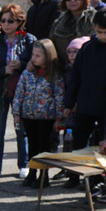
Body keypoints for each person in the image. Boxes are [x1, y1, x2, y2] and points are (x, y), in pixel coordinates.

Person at [62, 8, 106, 200]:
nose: (104, 36)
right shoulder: (87, 49)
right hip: (86, 106)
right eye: (99, 32)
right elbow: (75, 77)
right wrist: (69, 101)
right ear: (94, 29)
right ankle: (92, 180)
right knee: (81, 145)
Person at [0, 3, 37, 180]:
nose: (6, 24)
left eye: (10, 21)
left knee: (22, 131)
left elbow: (38, 63)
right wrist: (3, 70)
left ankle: (24, 164)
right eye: (3, 20)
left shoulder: (29, 40)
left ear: (19, 22)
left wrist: (22, 64)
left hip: (22, 92)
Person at [13, 39, 65, 187]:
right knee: (33, 144)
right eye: (33, 55)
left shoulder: (55, 76)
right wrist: (17, 113)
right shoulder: (27, 73)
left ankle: (44, 175)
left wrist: (58, 117)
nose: (34, 58)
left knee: (44, 146)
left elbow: (59, 96)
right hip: (29, 115)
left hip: (46, 117)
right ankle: (32, 172)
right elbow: (19, 93)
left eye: (38, 56)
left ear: (48, 56)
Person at [49, 0, 97, 66]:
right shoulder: (58, 23)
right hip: (64, 70)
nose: (72, 1)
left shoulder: (95, 18)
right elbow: (51, 48)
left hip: (89, 67)